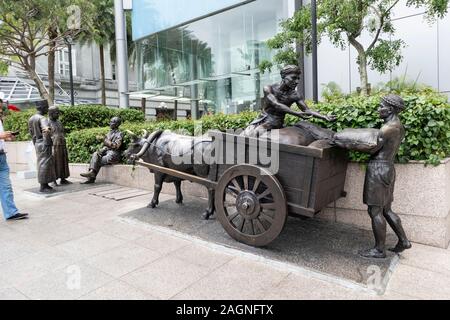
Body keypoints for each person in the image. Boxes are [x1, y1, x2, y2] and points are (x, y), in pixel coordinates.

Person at [334, 94, 412, 258]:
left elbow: (371, 148)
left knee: (375, 211)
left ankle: (379, 250)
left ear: (389, 109)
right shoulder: (399, 126)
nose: (378, 109)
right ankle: (404, 241)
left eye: (381, 106)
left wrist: (345, 143)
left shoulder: (387, 129)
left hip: (378, 169)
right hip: (388, 168)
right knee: (386, 209)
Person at [243, 65, 336, 137]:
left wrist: (324, 117)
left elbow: (307, 110)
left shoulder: (295, 95)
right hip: (261, 119)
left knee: (257, 133)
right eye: (294, 78)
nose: (297, 81)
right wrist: (296, 113)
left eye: (298, 78)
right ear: (284, 76)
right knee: (243, 137)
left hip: (274, 122)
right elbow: (276, 104)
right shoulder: (269, 88)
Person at [0, 102, 28, 220]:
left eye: (1, 107)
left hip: (1, 157)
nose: (1, 110)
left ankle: (11, 213)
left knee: (6, 187)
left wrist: (7, 137)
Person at [80, 117, 124, 184]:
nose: (110, 123)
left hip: (113, 154)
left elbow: (116, 146)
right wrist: (103, 149)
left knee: (97, 160)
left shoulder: (119, 134)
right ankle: (91, 173)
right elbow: (106, 145)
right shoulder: (108, 133)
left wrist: (105, 140)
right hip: (107, 152)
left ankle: (91, 177)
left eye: (112, 122)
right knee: (95, 154)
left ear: (117, 124)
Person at [28, 100, 56, 193]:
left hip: (37, 143)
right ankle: (43, 186)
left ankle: (45, 184)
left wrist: (35, 143)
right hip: (44, 143)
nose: (47, 110)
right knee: (45, 164)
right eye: (46, 108)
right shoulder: (43, 118)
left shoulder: (31, 119)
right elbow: (46, 131)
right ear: (42, 108)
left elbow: (31, 133)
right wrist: (48, 143)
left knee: (41, 163)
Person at [48, 106, 71, 186]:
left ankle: (63, 178)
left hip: (61, 143)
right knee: (54, 162)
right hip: (54, 145)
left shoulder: (59, 122)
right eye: (56, 113)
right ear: (51, 113)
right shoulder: (47, 123)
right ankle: (53, 180)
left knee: (63, 161)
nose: (58, 114)